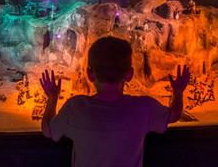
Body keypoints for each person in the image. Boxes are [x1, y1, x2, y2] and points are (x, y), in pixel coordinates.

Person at [40, 36, 190, 167]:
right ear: (130, 74)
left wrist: (52, 98)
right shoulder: (144, 107)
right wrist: (178, 91)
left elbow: (48, 130)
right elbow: (175, 115)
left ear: (90, 75)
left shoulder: (75, 107)